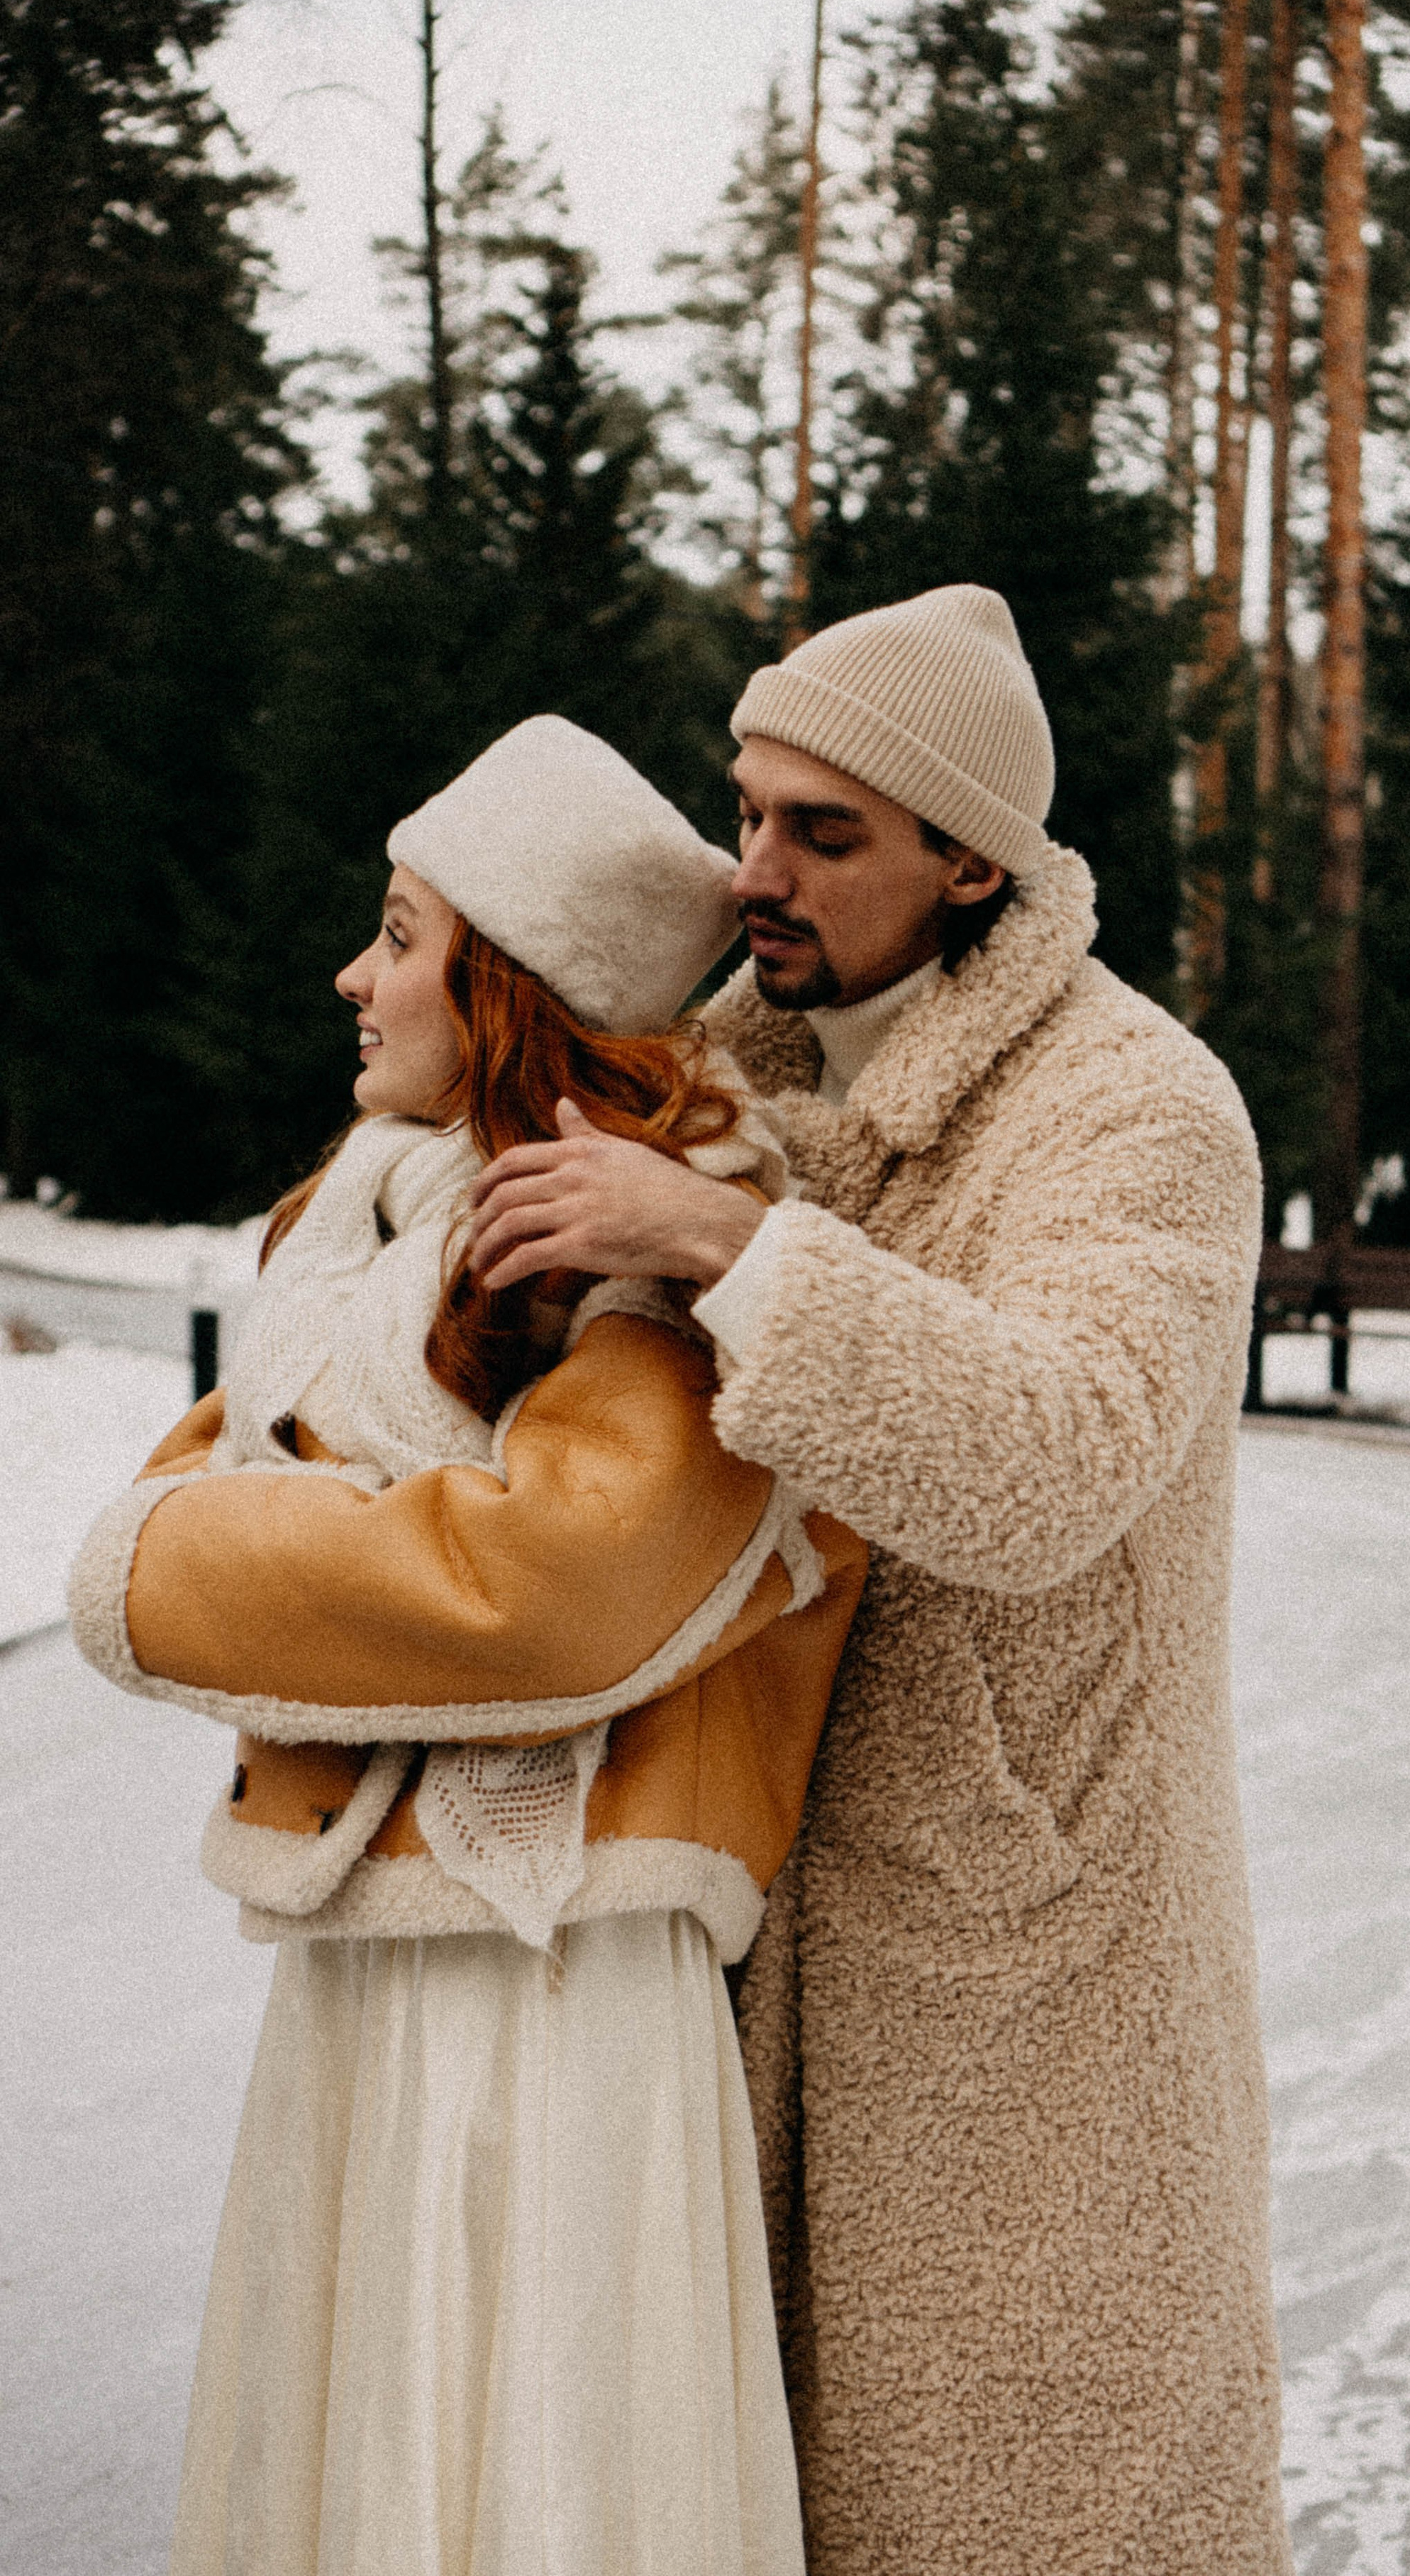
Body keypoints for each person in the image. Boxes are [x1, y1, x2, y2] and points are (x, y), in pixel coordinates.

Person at [462, 588, 1292, 2575]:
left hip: (1032, 1977)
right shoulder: (714, 1066)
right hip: (730, 1927)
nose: (756, 869)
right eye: (749, 811)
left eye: (825, 833)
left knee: (1022, 2515)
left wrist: (733, 1248)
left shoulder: (1139, 1105)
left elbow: (1056, 1462)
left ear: (971, 860)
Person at [69, 714, 867, 2576]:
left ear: (508, 983)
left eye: (404, 933)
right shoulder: (359, 1230)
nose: (356, 974)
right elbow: (234, 1479)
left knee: (536, 2478)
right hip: (370, 1964)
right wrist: (287, 1536)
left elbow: (551, 1589)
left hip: (560, 1978)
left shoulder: (683, 1229)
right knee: (360, 2468)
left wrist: (190, 1557)